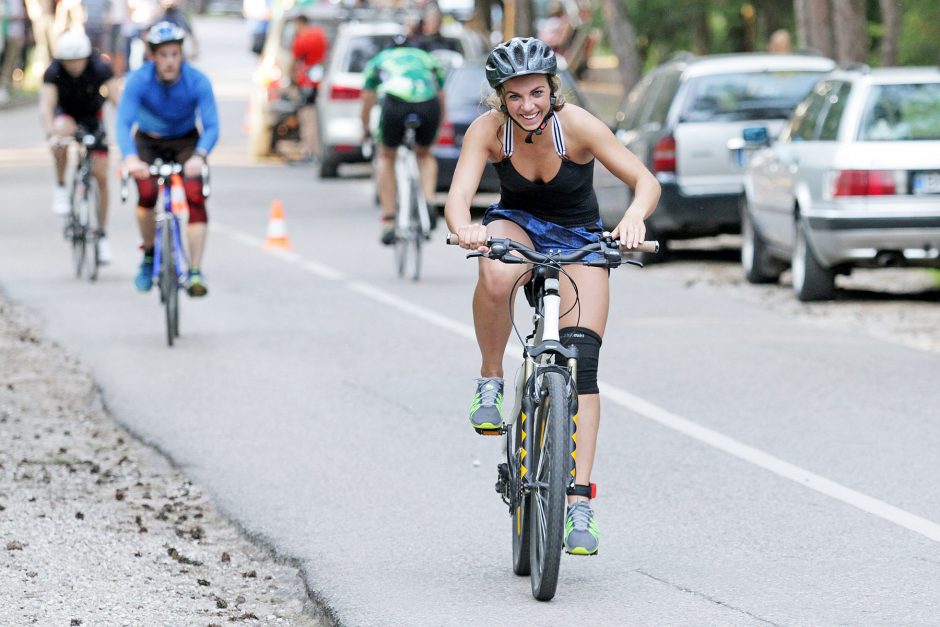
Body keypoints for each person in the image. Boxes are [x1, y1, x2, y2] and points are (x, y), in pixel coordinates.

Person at [444, 38, 660, 556]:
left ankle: (580, 501)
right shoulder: (488, 132)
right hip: (516, 225)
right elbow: (457, 199)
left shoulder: (578, 126)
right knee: (494, 277)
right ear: (500, 98)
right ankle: (490, 382)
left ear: (551, 91)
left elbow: (644, 180)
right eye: (515, 96)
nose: (527, 106)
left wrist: (633, 216)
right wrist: (466, 230)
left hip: (580, 237)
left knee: (583, 364)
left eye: (536, 93)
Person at [116, 20, 219, 297]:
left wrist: (200, 155)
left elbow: (211, 126)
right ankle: (149, 256)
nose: (170, 61)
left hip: (186, 141)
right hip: (148, 141)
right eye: (163, 55)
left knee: (195, 195)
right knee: (147, 194)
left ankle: (195, 270)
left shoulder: (197, 81)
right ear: (153, 56)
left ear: (181, 54)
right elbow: (123, 124)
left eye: (175, 54)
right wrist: (130, 158)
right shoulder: (138, 80)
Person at [40, 29, 120, 263]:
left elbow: (118, 101)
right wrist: (51, 134)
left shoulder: (100, 68)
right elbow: (46, 107)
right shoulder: (53, 72)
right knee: (60, 133)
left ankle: (102, 234)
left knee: (101, 175)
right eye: (69, 61)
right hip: (65, 116)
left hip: (92, 118)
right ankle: (61, 186)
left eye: (78, 60)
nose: (74, 66)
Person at [360, 36, 446, 244]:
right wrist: (439, 126)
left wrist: (365, 129)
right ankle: (428, 200)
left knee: (387, 156)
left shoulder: (380, 59)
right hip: (428, 104)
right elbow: (441, 95)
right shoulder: (428, 59)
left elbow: (368, 99)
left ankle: (389, 220)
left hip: (395, 103)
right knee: (425, 154)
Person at [288, 12, 327, 163]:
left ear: (299, 22)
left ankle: (309, 149)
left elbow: (295, 61)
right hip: (318, 80)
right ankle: (315, 149)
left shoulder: (302, 39)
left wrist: (292, 78)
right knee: (314, 117)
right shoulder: (319, 35)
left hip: (306, 82)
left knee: (307, 117)